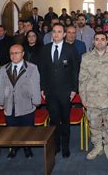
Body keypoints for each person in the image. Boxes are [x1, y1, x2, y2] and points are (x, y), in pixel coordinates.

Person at [79, 32, 108, 161]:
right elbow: (82, 79)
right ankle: (97, 146)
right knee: (94, 125)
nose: (99, 42)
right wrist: (83, 97)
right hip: (92, 99)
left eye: (102, 39)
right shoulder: (86, 57)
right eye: (97, 39)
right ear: (93, 42)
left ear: (107, 41)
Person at [39, 23, 80, 158]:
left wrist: (74, 89)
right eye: (54, 31)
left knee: (65, 120)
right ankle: (56, 145)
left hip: (66, 91)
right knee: (54, 120)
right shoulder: (45, 49)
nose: (56, 34)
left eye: (59, 32)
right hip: (50, 91)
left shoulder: (70, 49)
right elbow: (42, 70)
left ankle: (65, 147)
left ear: (64, 34)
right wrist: (42, 88)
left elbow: (75, 70)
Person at [0, 44, 41, 159]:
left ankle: (27, 147)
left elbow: (36, 85)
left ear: (23, 54)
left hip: (26, 102)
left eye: (16, 53)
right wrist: (1, 102)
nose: (14, 55)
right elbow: (1, 86)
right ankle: (14, 147)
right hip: (9, 104)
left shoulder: (32, 68)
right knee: (12, 128)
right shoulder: (3, 69)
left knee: (27, 128)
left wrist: (36, 101)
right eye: (11, 53)